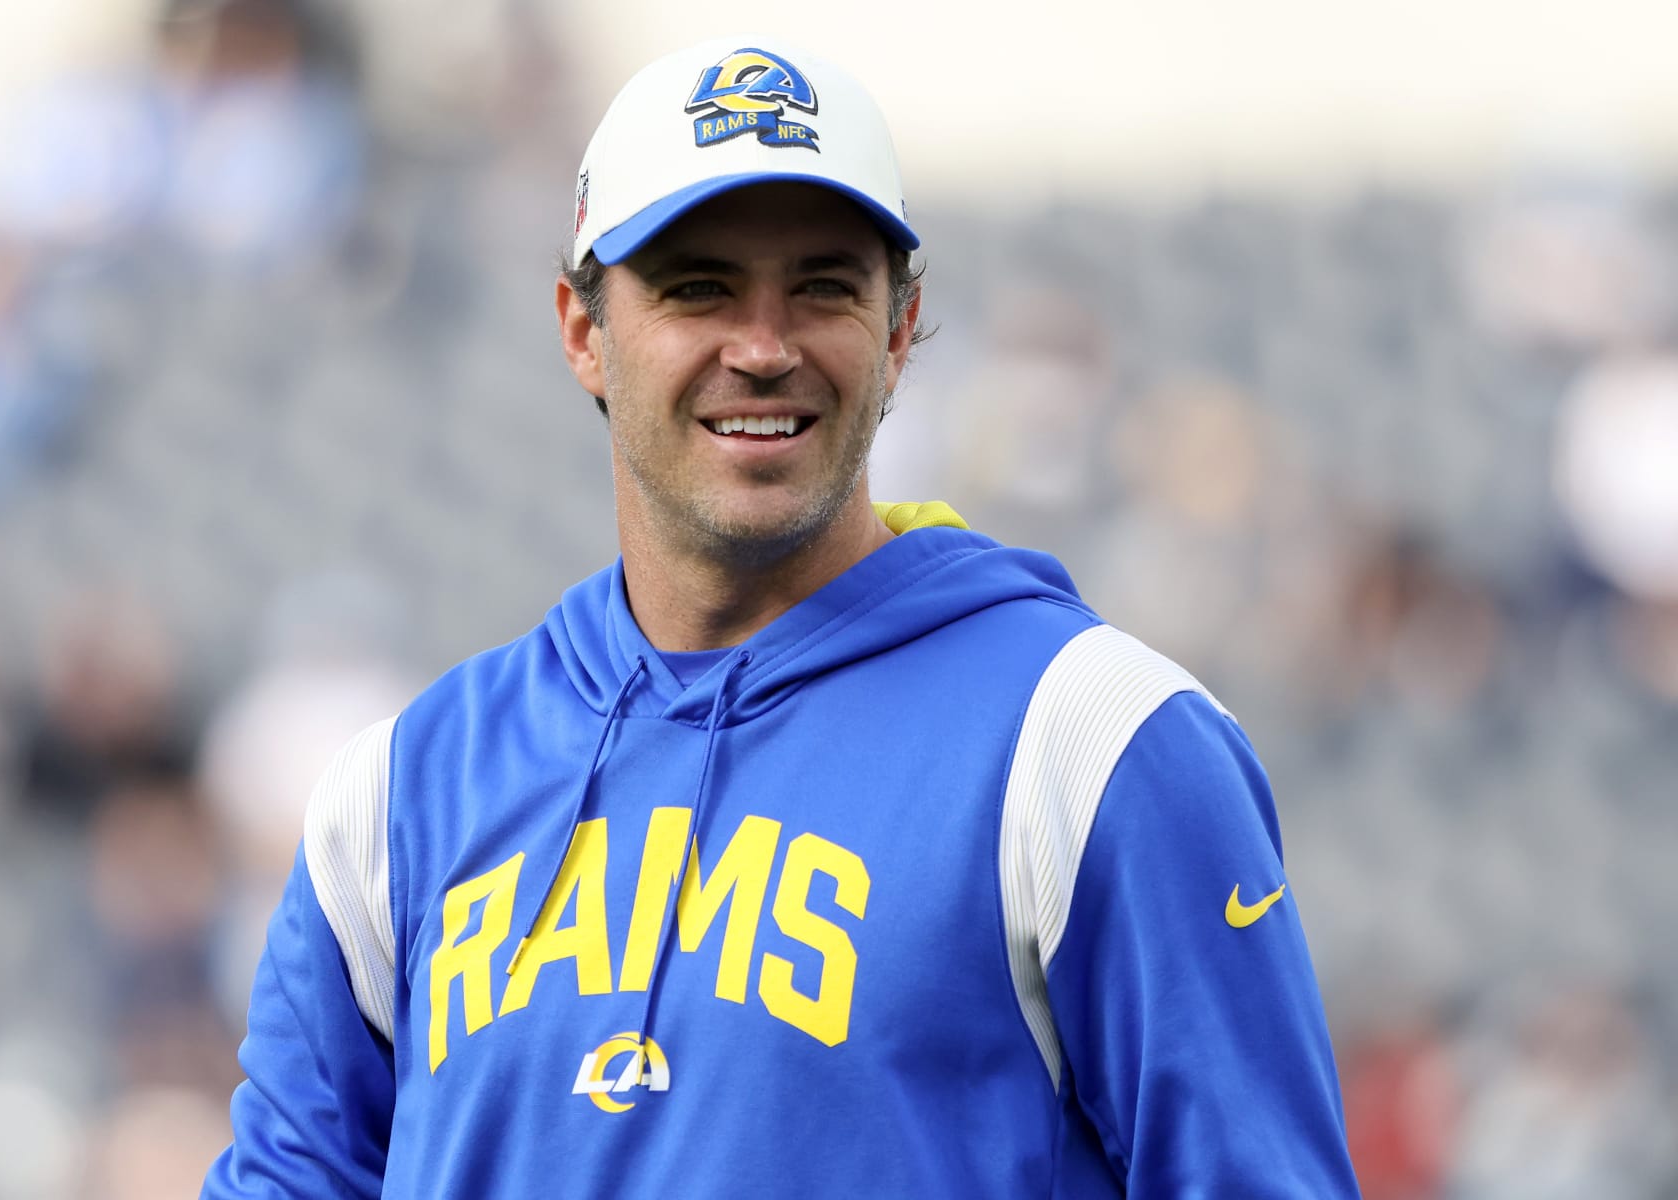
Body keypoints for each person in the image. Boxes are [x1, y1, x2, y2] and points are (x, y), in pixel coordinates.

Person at [202, 35, 1359, 1197]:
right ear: (580, 328)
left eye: (823, 286)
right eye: (697, 286)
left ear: (899, 332)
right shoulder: (399, 796)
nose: (763, 348)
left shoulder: (1093, 740)